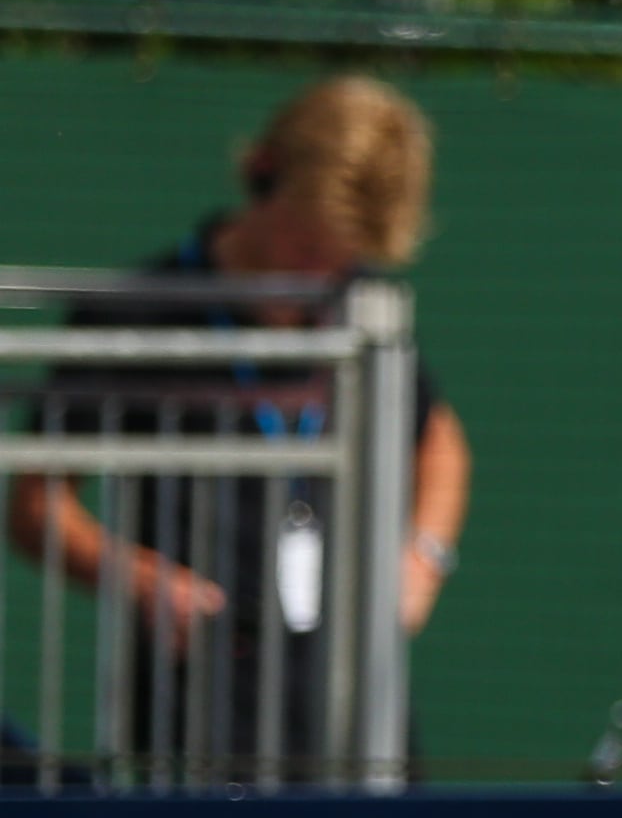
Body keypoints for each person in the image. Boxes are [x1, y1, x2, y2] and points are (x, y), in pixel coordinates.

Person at [5, 75, 474, 774]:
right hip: (191, 718)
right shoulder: (137, 315)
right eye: (309, 241)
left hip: (351, 716)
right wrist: (143, 581)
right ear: (265, 174)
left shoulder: (363, 311)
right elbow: (36, 503)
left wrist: (422, 561)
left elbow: (440, 440)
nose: (323, 269)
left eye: (344, 253)